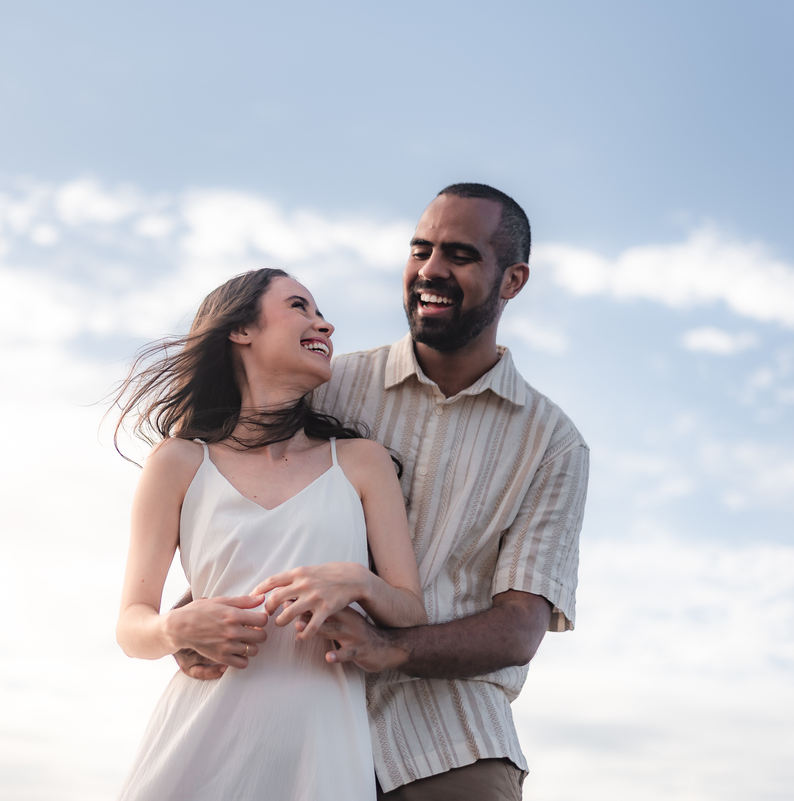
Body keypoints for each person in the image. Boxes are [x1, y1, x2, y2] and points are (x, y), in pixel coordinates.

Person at [176, 184, 590, 800]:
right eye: (420, 249)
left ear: (513, 280)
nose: (430, 271)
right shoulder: (327, 386)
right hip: (288, 722)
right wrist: (191, 617)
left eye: (460, 255)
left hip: (452, 744)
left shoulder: (552, 443)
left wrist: (385, 646)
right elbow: (244, 510)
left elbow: (519, 628)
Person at [112, 268, 429, 801]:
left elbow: (410, 612)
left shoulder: (361, 462)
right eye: (300, 307)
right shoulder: (178, 462)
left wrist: (358, 581)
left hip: (321, 756)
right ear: (241, 330)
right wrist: (177, 629)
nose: (324, 325)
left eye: (322, 314)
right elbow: (130, 625)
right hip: (195, 748)